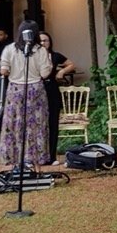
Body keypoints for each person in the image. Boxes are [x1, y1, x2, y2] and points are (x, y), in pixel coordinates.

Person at [0, 20, 52, 168]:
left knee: (14, 123)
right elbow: (45, 73)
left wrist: (13, 69)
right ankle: (33, 157)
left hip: (15, 89)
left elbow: (3, 70)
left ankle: (15, 157)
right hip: (35, 90)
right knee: (35, 125)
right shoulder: (40, 50)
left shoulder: (9, 49)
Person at [39, 31, 76, 165]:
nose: (43, 43)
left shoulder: (55, 56)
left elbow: (71, 64)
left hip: (52, 90)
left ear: (50, 42)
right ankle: (37, 156)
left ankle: (52, 156)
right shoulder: (32, 57)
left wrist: (61, 71)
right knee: (38, 123)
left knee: (53, 122)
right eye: (40, 41)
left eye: (46, 40)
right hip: (37, 90)